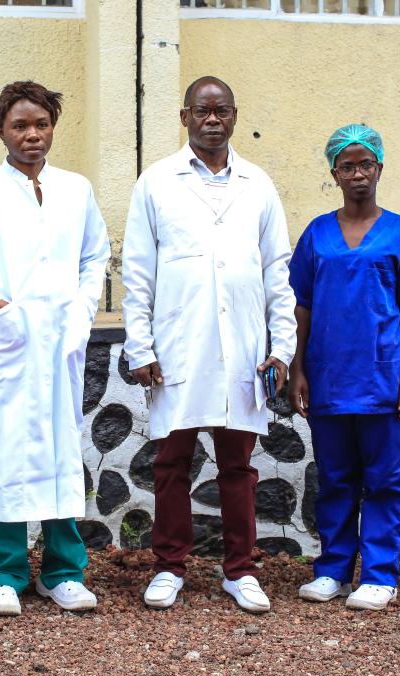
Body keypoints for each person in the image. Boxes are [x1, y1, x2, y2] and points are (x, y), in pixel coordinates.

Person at [122, 76, 296, 614]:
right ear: (185, 116)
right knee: (171, 460)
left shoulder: (258, 185)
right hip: (177, 345)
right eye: (202, 110)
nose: (212, 119)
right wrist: (140, 346)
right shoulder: (156, 182)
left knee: (237, 465)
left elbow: (277, 272)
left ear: (235, 115)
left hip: (243, 347)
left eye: (221, 110)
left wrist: (282, 349)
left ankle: (240, 569)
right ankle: (170, 566)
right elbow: (136, 272)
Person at [0, 81, 110, 617]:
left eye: (40, 124)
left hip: (60, 343)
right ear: (1, 131)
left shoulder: (76, 189)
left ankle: (63, 573)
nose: (32, 134)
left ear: (52, 128)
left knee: (61, 454)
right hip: (7, 344)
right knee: (0, 457)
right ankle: (4, 574)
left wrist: (83, 312)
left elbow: (95, 257)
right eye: (20, 125)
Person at [288, 125, 400, 611]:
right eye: (347, 166)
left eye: (366, 165)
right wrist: (298, 367)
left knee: (385, 479)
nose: (358, 174)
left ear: (379, 168)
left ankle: (378, 574)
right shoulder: (317, 233)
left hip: (384, 376)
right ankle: (332, 569)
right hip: (329, 375)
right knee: (334, 478)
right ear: (334, 173)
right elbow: (302, 307)